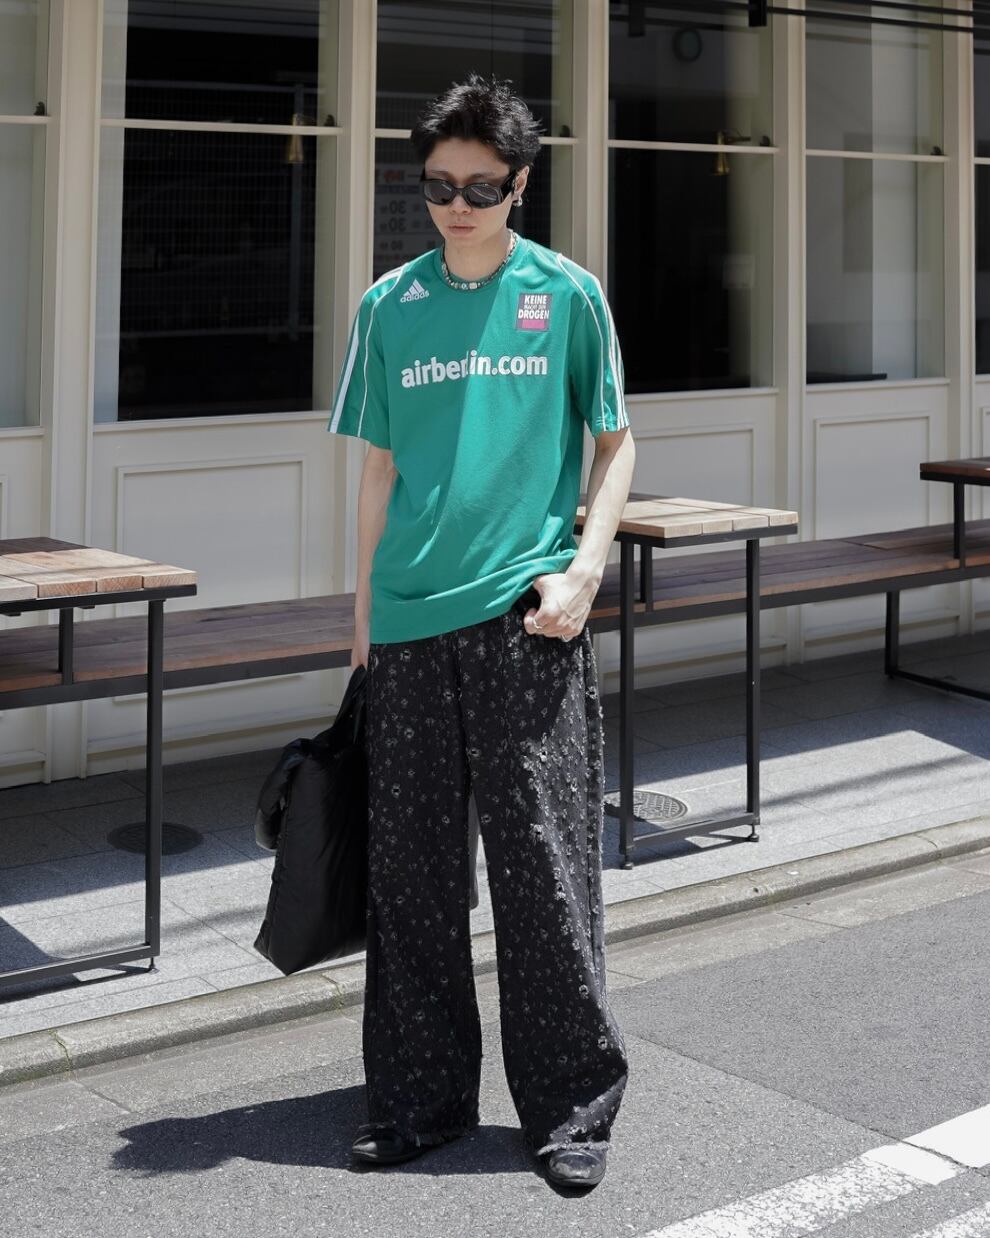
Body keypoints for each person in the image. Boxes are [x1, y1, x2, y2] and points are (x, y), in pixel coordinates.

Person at [327, 73, 635, 1190]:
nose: (456, 206)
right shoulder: (388, 306)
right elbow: (378, 470)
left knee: (543, 874)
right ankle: (419, 1101)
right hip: (410, 626)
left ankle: (570, 1108)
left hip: (526, 623)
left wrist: (586, 570)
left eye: (481, 187)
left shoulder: (569, 295)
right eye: (439, 186)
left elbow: (616, 443)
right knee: (409, 879)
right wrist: (362, 619)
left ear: (520, 184)